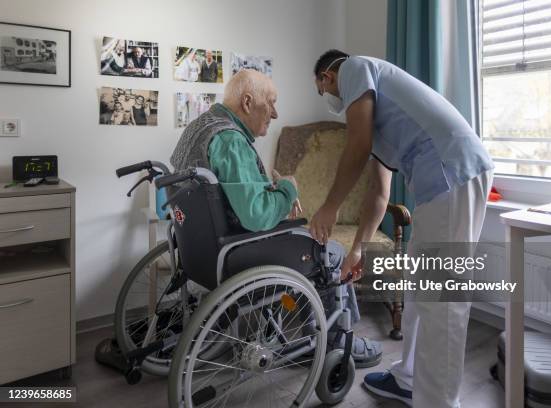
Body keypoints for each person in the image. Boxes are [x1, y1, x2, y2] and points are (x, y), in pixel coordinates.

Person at [310, 50, 495, 408]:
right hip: (440, 182)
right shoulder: (379, 120)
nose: (328, 99)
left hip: (453, 172)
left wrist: (329, 206)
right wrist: (359, 249)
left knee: (441, 299)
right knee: (418, 288)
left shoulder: (354, 68)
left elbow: (358, 145)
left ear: (327, 78)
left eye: (322, 91)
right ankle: (407, 379)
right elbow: (379, 194)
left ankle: (438, 402)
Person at [170, 69, 383, 368]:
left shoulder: (200, 128)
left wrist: (267, 186)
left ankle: (312, 330)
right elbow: (255, 215)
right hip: (238, 252)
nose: (275, 112)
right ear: (247, 102)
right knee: (330, 251)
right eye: (270, 102)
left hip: (202, 254)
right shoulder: (230, 140)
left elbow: (227, 193)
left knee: (313, 245)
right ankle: (338, 342)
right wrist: (288, 187)